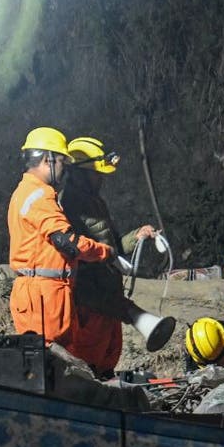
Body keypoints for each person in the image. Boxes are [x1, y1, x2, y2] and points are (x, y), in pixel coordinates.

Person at [59, 136, 175, 376]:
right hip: (91, 307)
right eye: (96, 173)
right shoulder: (70, 206)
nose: (101, 178)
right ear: (80, 173)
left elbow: (111, 249)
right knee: (89, 368)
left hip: (107, 301)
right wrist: (122, 308)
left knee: (105, 362)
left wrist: (137, 236)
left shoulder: (95, 203)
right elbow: (83, 260)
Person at [7, 128, 123, 364]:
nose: (64, 168)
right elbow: (68, 242)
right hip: (41, 297)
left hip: (43, 295)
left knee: (53, 367)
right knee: (50, 365)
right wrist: (104, 252)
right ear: (47, 158)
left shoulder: (26, 192)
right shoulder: (39, 195)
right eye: (62, 161)